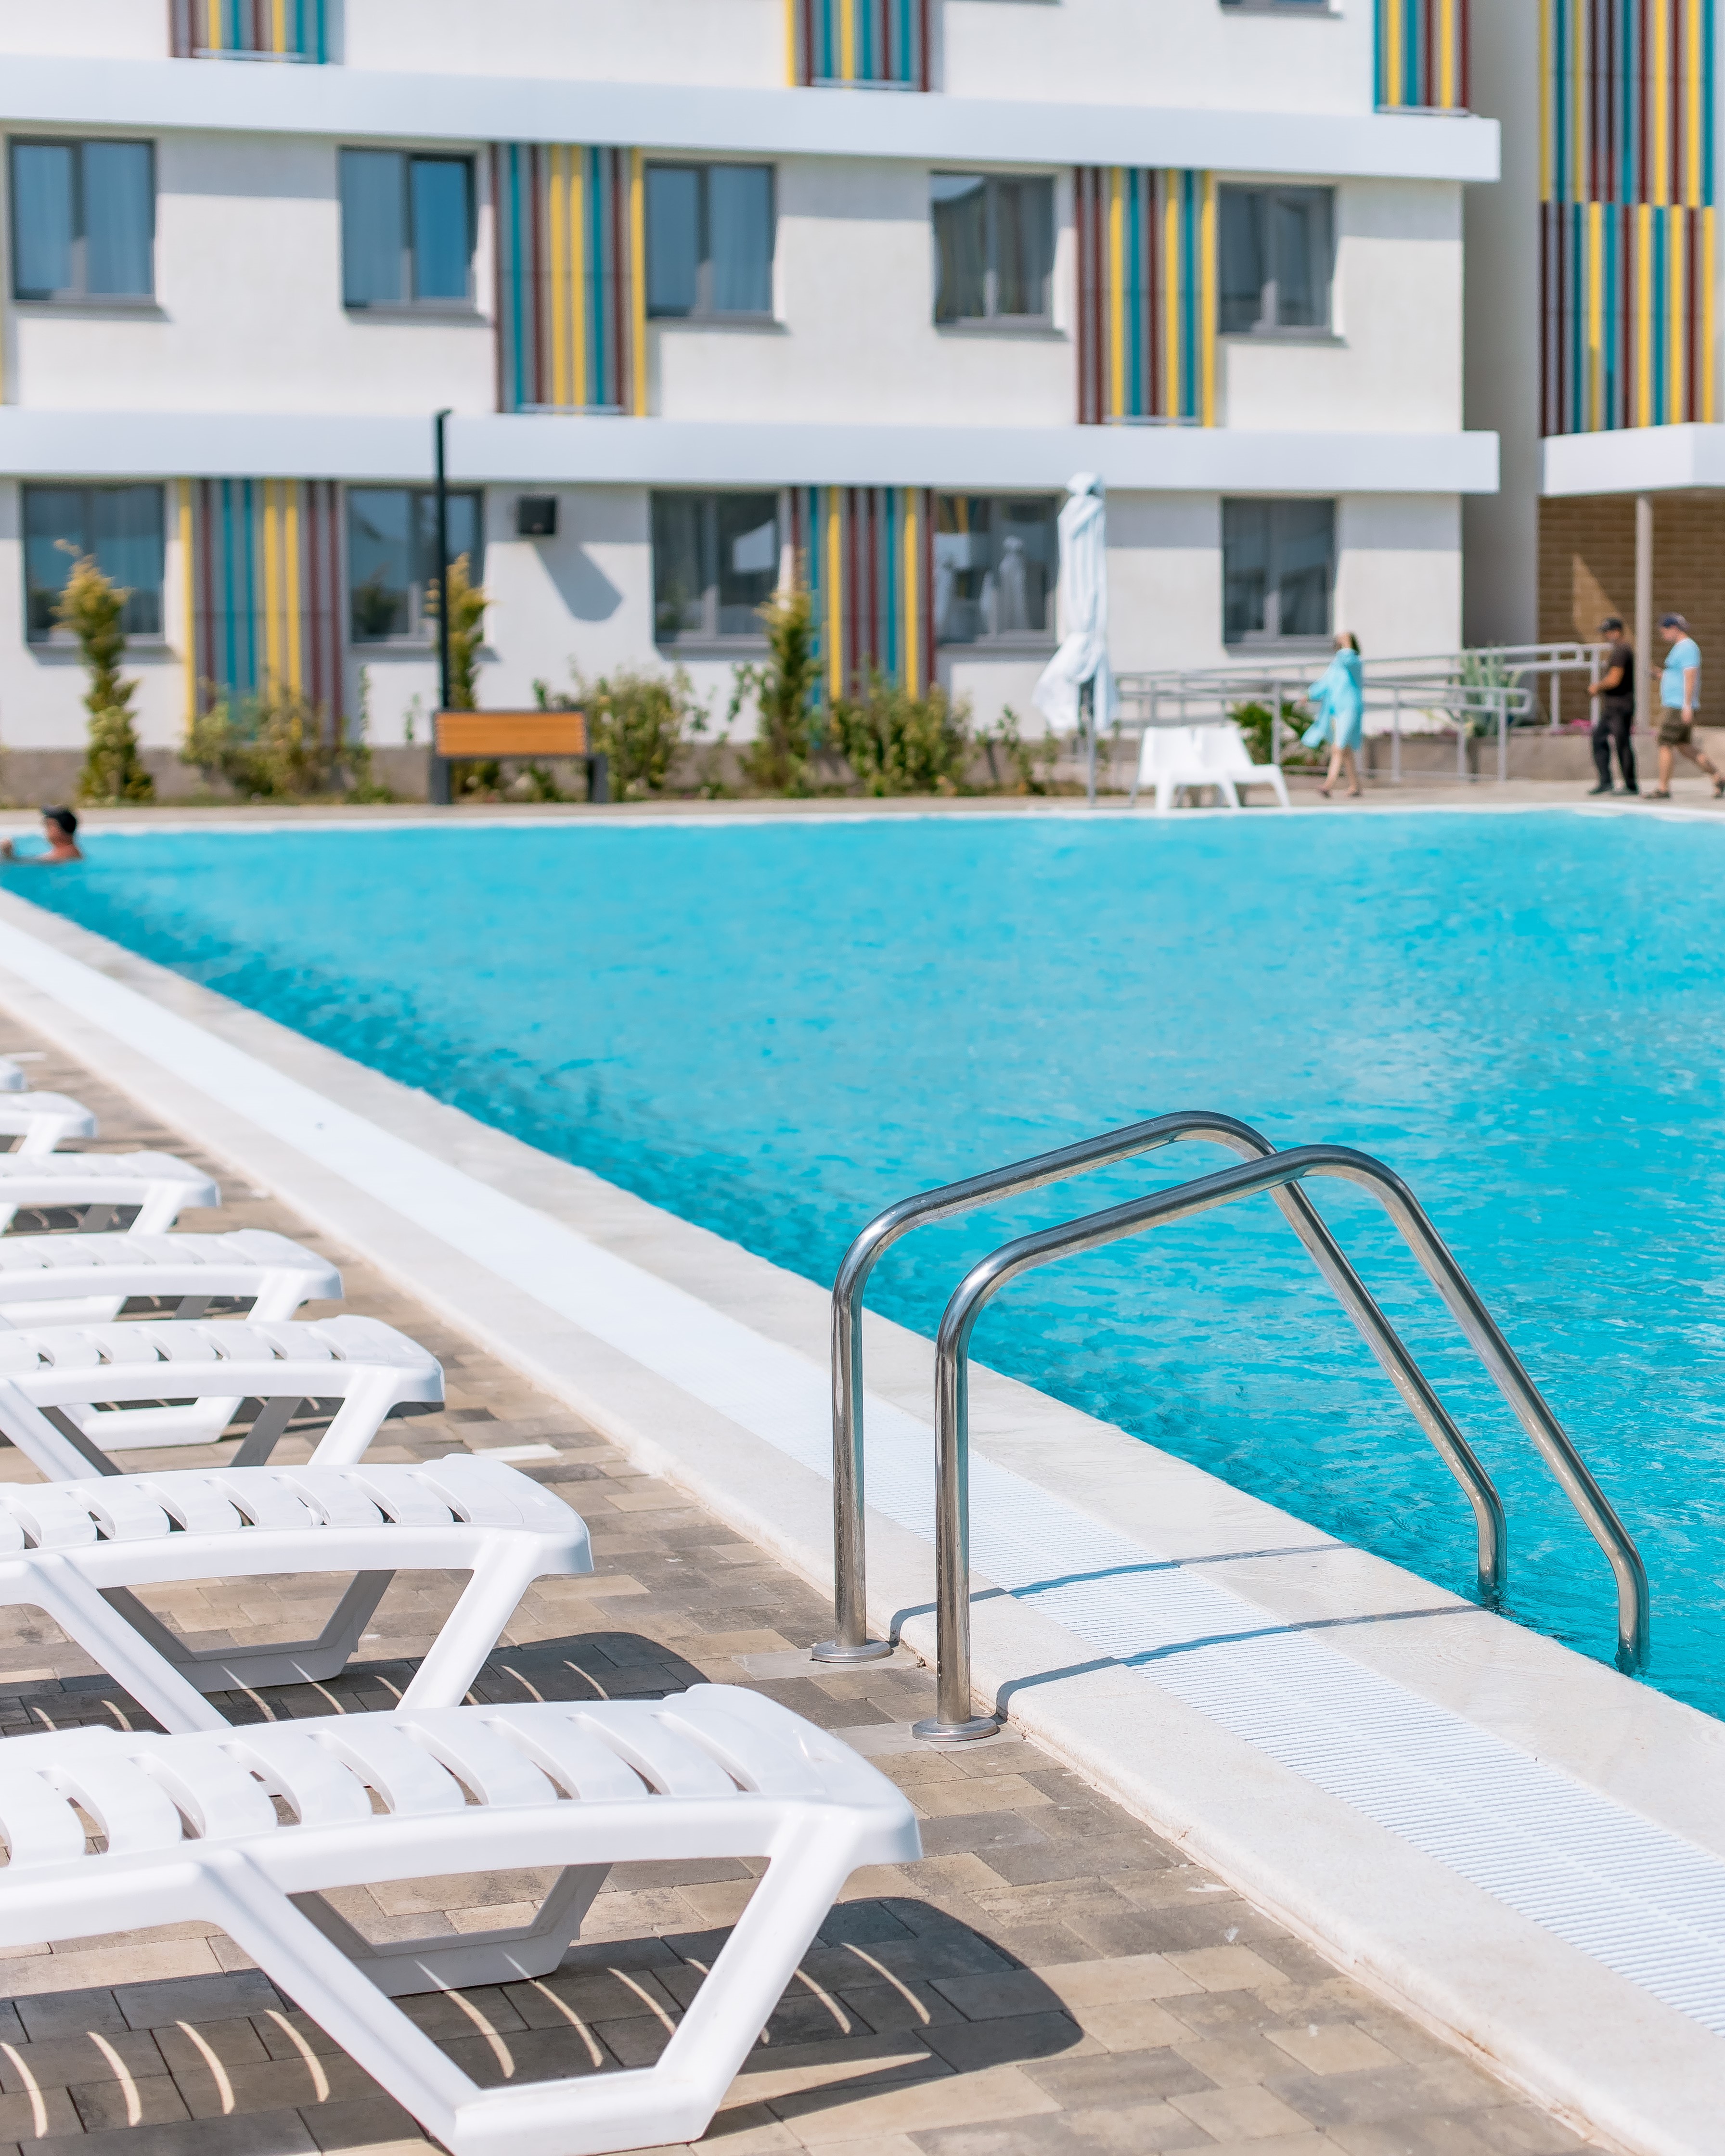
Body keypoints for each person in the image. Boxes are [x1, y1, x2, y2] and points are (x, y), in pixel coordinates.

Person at [1647, 616, 1725, 800]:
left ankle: (1663, 788)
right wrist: (1662, 675)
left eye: (1664, 632)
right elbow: (1677, 674)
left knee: (1665, 743)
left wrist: (1687, 705)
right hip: (1678, 704)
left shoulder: (1688, 647)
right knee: (1684, 746)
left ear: (1674, 628)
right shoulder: (1680, 648)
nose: (1663, 636)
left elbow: (1690, 675)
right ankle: (1717, 776)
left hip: (1678, 705)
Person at [1303, 632, 1365, 799]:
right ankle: (1356, 786)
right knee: (1345, 749)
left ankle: (1328, 785)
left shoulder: (1355, 662)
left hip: (1350, 709)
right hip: (1334, 710)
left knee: (1339, 747)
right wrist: (1309, 695)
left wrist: (1347, 643)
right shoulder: (1336, 664)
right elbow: (1325, 683)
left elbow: (1347, 659)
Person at [1584, 616, 1637, 796]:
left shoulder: (1622, 651)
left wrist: (1597, 687)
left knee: (1622, 744)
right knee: (1599, 739)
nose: (1605, 636)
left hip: (1620, 707)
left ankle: (1630, 785)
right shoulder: (1620, 650)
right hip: (1613, 707)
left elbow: (1614, 679)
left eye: (1607, 632)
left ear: (1616, 632)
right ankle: (1606, 782)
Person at [0, 808, 82, 865]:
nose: (46, 830)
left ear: (63, 829)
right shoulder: (66, 852)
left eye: (49, 825)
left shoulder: (68, 853)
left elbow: (37, 864)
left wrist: (9, 858)